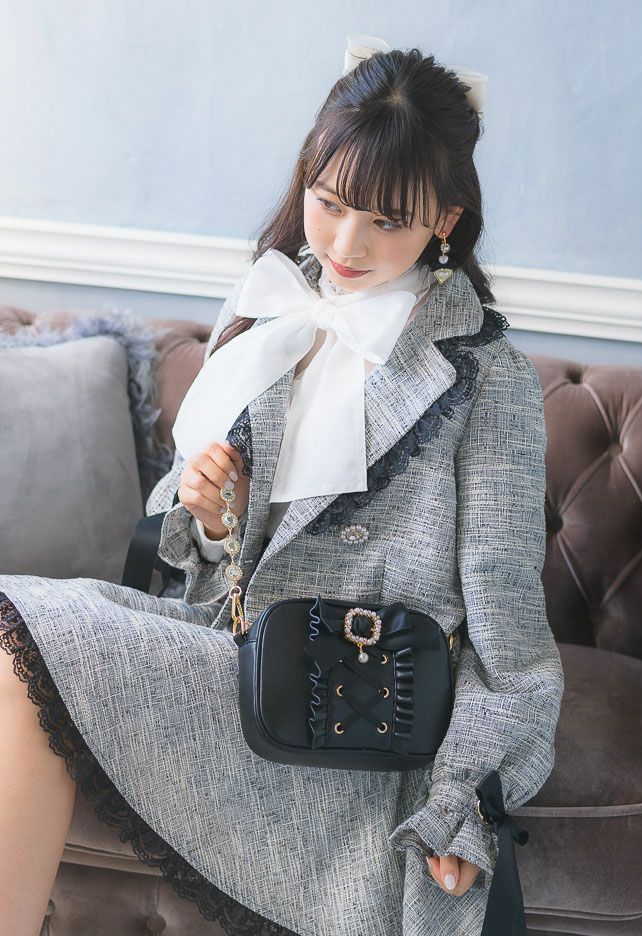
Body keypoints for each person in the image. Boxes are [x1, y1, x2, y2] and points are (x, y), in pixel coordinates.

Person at [0, 43, 564, 936]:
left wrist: (462, 801)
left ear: (446, 220)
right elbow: (206, 550)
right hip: (231, 649)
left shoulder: (488, 377)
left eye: (386, 220)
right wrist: (211, 517)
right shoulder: (268, 308)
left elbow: (512, 635)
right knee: (12, 628)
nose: (344, 245)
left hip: (352, 706)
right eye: (329, 203)